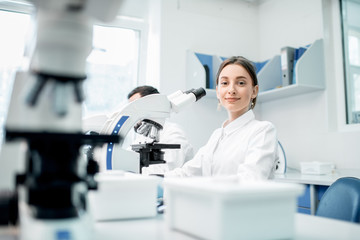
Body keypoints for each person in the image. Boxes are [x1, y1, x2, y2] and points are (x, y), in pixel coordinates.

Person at [165, 56, 278, 181]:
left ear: (254, 91)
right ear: (218, 92)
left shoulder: (263, 130)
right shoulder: (217, 135)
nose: (231, 90)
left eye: (241, 83)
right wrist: (156, 180)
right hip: (214, 200)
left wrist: (207, 186)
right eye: (225, 83)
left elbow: (250, 179)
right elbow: (189, 172)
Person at [124, 85, 195, 174]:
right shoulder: (143, 138)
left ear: (152, 106)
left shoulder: (174, 133)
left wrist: (130, 170)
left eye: (135, 108)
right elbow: (124, 161)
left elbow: (165, 171)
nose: (132, 114)